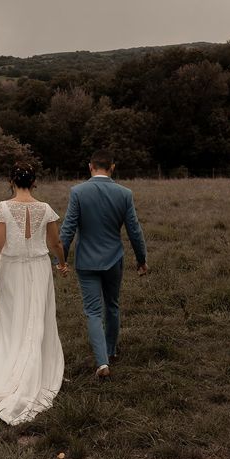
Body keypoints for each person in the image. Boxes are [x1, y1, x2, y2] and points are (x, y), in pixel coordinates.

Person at [0, 162, 68, 425]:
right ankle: (34, 367)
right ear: (34, 182)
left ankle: (11, 369)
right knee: (38, 316)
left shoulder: (3, 208)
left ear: (11, 182)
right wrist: (61, 263)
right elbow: (56, 242)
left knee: (12, 319)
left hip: (11, 269)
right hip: (39, 267)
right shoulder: (46, 208)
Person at [60, 150, 148, 378]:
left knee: (92, 312)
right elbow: (134, 231)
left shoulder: (78, 192)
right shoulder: (124, 194)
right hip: (113, 260)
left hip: (86, 260)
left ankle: (102, 363)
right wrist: (141, 260)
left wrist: (60, 260)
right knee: (113, 306)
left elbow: (68, 229)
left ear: (90, 167)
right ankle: (111, 350)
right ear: (112, 167)